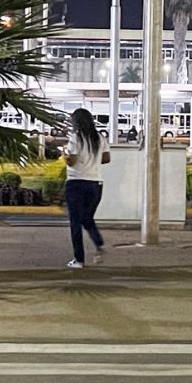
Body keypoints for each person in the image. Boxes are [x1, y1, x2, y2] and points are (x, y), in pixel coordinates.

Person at [61, 108, 108, 269]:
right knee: (87, 218)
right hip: (95, 184)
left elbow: (71, 161)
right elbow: (106, 158)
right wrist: (91, 161)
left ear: (77, 122)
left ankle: (79, 259)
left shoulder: (75, 138)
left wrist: (64, 154)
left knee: (75, 222)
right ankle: (99, 243)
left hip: (76, 183)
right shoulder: (99, 138)